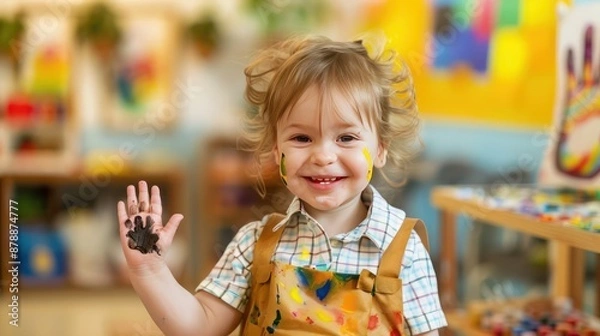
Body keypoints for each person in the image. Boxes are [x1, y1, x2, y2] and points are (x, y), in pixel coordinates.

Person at [117, 35, 447, 335]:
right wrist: (150, 271)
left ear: (381, 148)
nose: (323, 156)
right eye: (302, 138)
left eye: (346, 137)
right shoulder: (254, 245)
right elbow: (197, 327)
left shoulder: (404, 252)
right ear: (276, 150)